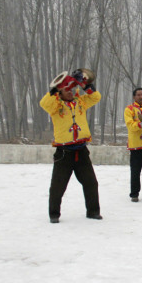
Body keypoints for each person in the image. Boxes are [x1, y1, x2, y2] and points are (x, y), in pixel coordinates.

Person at [40, 69, 102, 223]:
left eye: (72, 89)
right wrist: (54, 89)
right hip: (64, 153)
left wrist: (85, 85)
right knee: (57, 187)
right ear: (59, 92)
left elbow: (96, 97)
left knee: (91, 183)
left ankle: (93, 212)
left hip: (81, 150)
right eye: (66, 89)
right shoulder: (55, 106)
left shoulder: (80, 102)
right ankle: (54, 214)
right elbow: (44, 103)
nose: (70, 92)